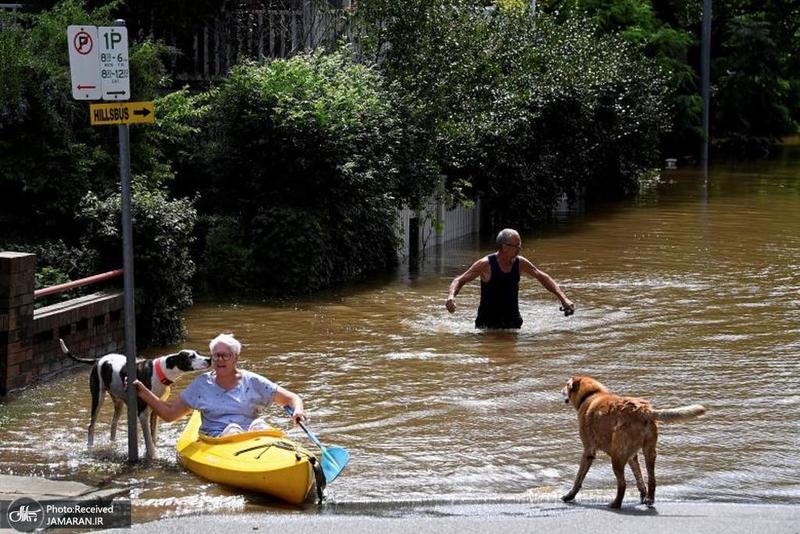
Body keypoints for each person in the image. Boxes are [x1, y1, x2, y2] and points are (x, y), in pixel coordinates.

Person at [132, 333, 306, 437]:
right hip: (219, 440)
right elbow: (170, 414)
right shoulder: (201, 385)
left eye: (226, 355)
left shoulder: (253, 381)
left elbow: (291, 398)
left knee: (259, 426)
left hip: (253, 437)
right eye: (216, 356)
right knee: (232, 429)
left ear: (236, 358)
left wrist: (298, 410)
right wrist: (143, 392)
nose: (220, 360)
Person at [445, 228, 575, 329]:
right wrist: (451, 297)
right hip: (487, 324)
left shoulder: (520, 263)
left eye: (520, 245)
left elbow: (542, 277)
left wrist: (563, 298)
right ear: (504, 246)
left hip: (512, 322)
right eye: (516, 246)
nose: (520, 249)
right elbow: (459, 280)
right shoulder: (486, 264)